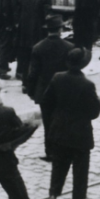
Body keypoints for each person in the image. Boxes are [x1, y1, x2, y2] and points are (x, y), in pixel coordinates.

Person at [44, 47, 100, 199]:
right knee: (80, 169)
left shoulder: (57, 77)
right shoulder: (87, 84)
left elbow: (47, 101)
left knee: (59, 165)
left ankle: (53, 194)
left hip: (60, 129)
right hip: (80, 133)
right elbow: (94, 111)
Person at [27, 15, 74, 162]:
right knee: (65, 121)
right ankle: (66, 150)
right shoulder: (69, 47)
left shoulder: (38, 47)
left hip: (45, 92)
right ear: (60, 29)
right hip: (64, 91)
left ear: (47, 30)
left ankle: (51, 152)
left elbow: (32, 73)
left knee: (49, 123)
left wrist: (31, 91)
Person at [16, 0, 52, 85]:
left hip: (24, 31)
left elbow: (19, 10)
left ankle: (25, 83)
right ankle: (35, 83)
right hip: (38, 32)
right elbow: (46, 16)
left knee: (25, 58)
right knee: (38, 58)